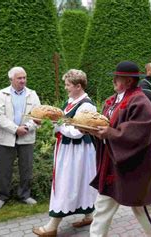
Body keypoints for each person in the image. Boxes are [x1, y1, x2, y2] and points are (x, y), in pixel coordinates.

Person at [88, 61, 151, 236]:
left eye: (117, 78)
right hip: (112, 165)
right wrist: (89, 129)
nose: (114, 80)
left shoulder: (140, 101)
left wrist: (110, 133)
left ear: (129, 81)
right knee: (102, 208)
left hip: (133, 167)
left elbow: (141, 131)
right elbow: (104, 124)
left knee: (141, 208)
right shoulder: (112, 100)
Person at [33, 70, 97, 236]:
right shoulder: (71, 101)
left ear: (78, 86)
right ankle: (89, 214)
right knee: (79, 182)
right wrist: (46, 121)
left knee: (66, 184)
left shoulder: (86, 105)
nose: (65, 88)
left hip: (78, 151)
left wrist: (57, 123)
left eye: (68, 85)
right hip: (68, 150)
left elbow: (78, 132)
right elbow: (63, 122)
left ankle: (52, 226)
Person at [0, 66, 41, 210]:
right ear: (11, 79)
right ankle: (2, 196)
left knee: (26, 168)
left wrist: (26, 128)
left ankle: (25, 195)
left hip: (26, 136)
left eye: (24, 78)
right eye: (19, 78)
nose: (22, 80)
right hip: (7, 137)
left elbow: (38, 115)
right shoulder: (1, 94)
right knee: (4, 168)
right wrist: (15, 129)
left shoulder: (32, 94)